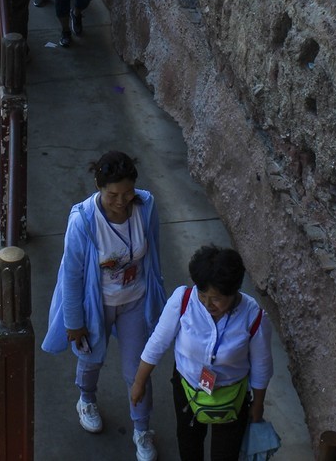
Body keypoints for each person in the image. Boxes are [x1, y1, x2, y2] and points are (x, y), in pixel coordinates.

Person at [44, 151, 165, 461]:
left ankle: (142, 429)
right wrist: (74, 322)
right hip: (97, 305)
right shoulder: (83, 221)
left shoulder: (147, 206)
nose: (122, 201)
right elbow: (72, 276)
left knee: (137, 369)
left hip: (135, 301)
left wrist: (157, 301)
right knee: (91, 358)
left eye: (128, 193)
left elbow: (153, 256)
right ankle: (86, 399)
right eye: (113, 194)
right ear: (99, 187)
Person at [131, 244, 272, 461]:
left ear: (233, 291)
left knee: (225, 455)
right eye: (202, 294)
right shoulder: (183, 300)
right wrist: (139, 381)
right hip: (187, 389)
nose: (207, 304)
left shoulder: (253, 317)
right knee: (189, 445)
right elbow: (157, 343)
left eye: (216, 298)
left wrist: (258, 404)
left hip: (231, 398)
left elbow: (262, 366)